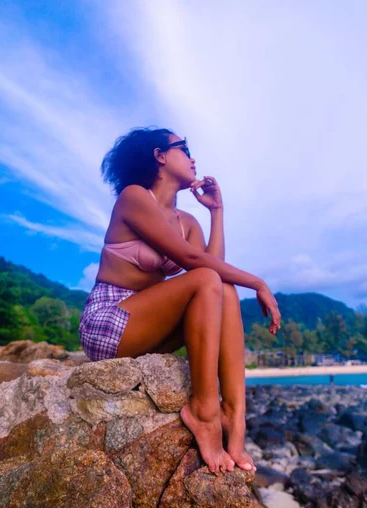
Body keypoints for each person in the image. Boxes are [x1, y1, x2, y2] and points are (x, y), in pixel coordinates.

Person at [79, 127, 281, 475]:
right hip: (109, 320)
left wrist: (217, 212)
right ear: (160, 155)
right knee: (207, 278)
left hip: (148, 323)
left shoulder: (187, 222)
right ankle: (204, 412)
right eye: (184, 149)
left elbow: (215, 275)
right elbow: (197, 265)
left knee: (225, 291)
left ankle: (233, 416)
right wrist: (259, 283)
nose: (193, 158)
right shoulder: (134, 197)